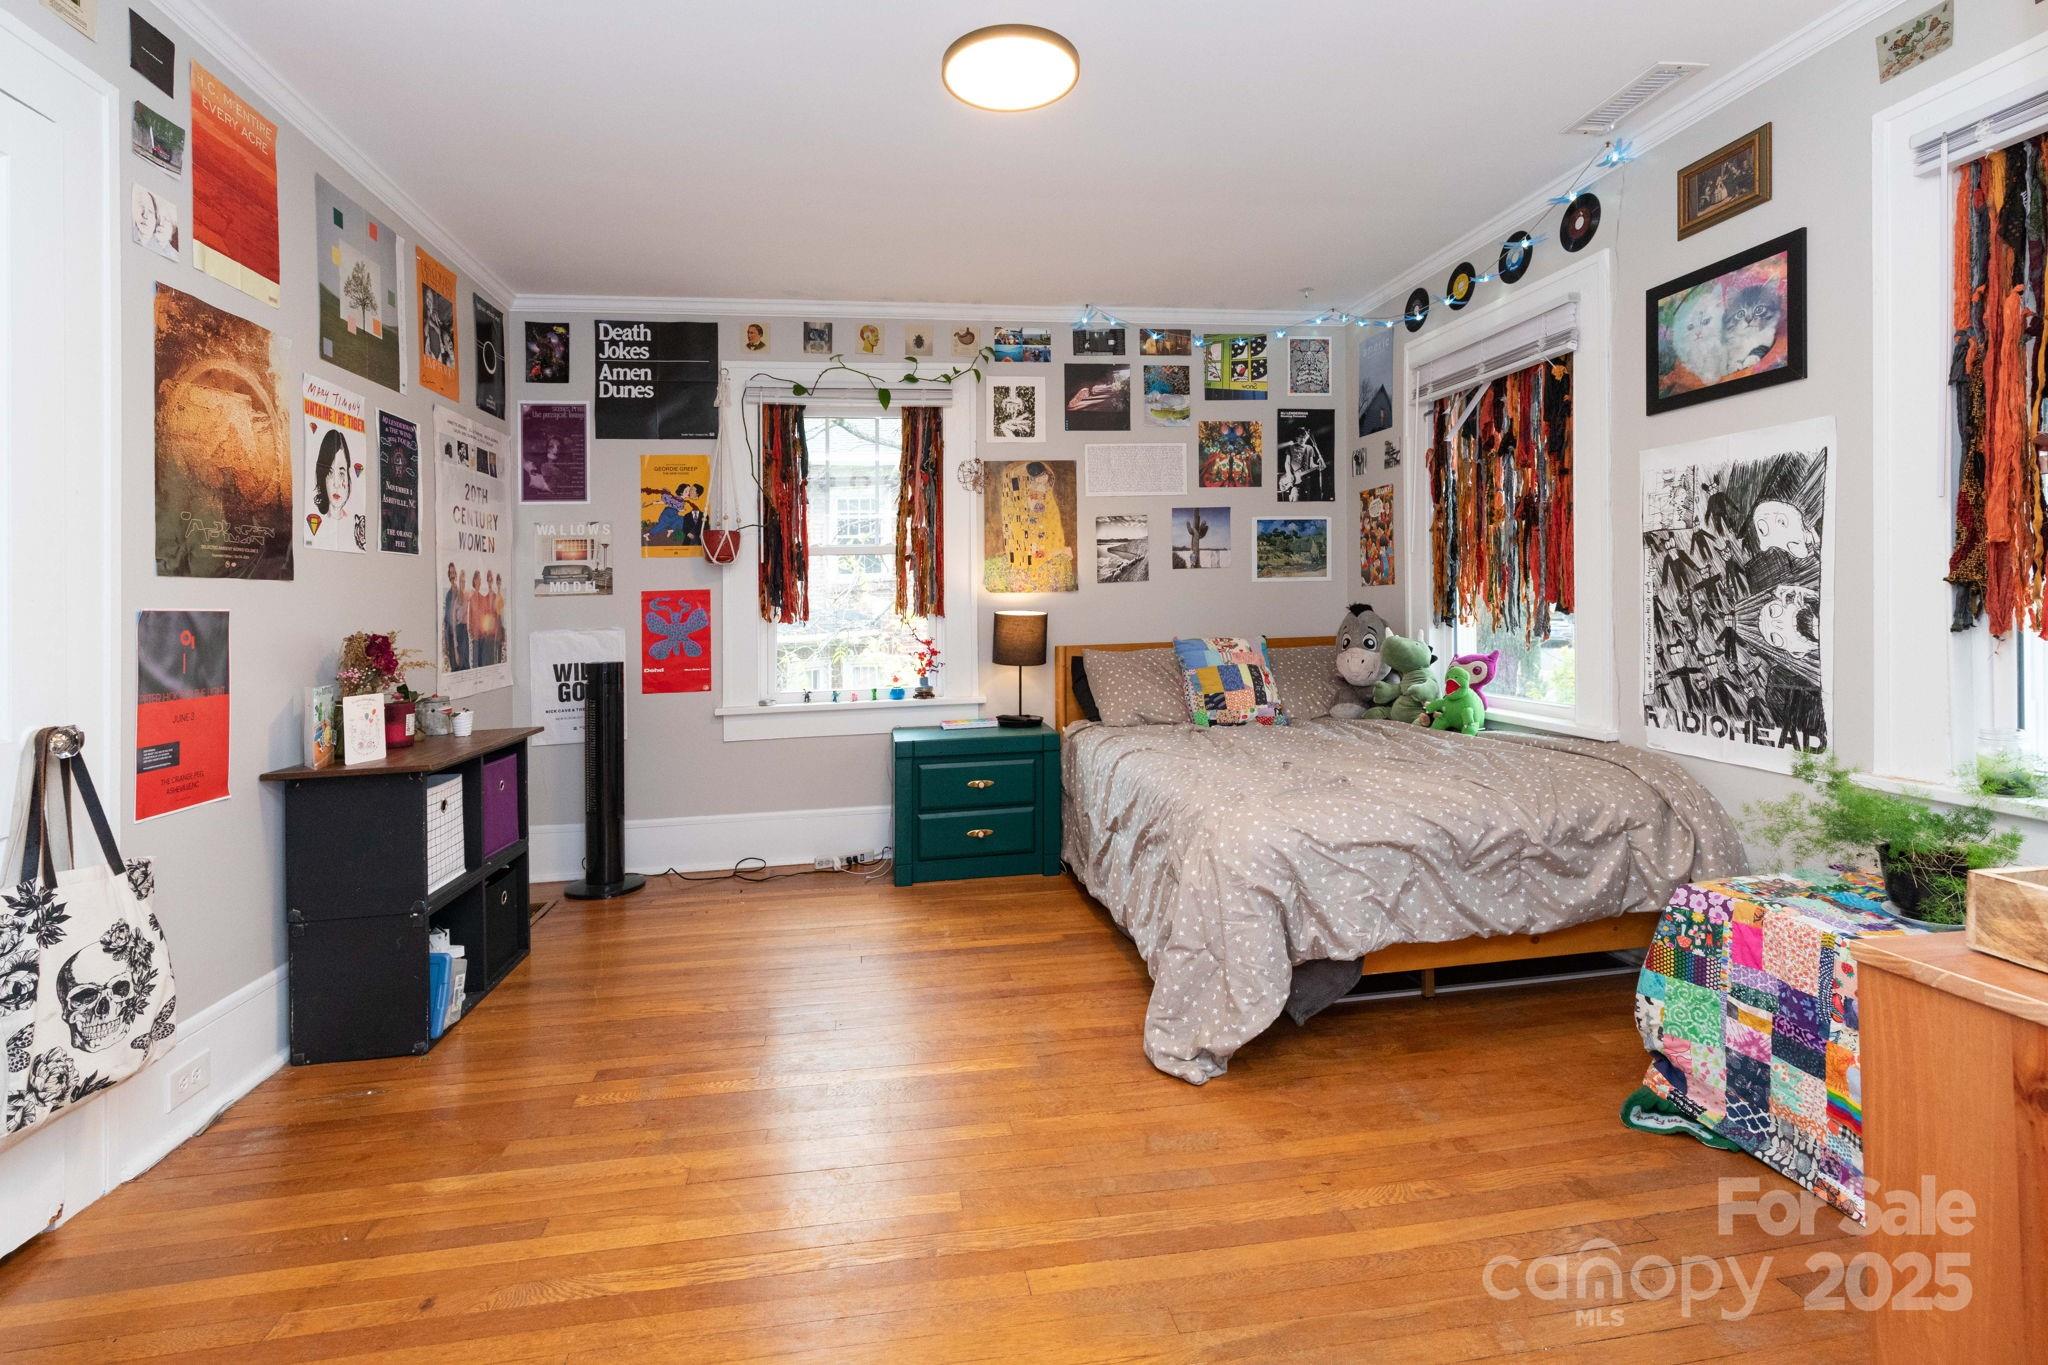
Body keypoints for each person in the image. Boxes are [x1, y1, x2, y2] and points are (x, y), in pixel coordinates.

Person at [443, 562, 468, 671]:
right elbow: (447, 616)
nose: (452, 575)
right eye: (450, 573)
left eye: (454, 573)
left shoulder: (459, 593)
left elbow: (460, 615)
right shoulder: (448, 594)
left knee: (461, 664)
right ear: (449, 575)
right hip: (449, 632)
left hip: (458, 633)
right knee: (453, 664)